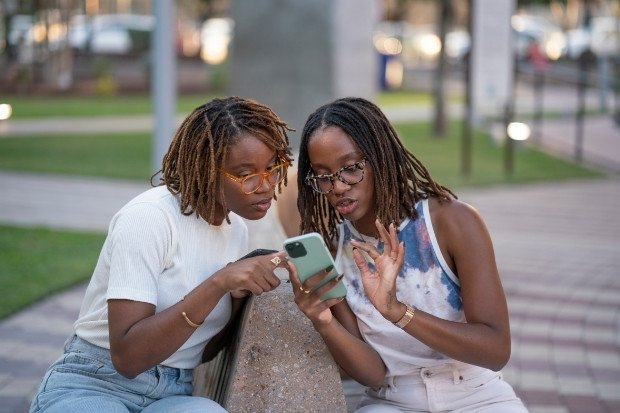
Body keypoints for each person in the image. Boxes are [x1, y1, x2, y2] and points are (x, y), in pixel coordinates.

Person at [29, 96, 294, 413]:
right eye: (247, 173)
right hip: (96, 383)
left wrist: (238, 295)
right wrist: (218, 283)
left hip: (173, 392)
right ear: (209, 171)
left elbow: (200, 350)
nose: (265, 185)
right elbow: (129, 358)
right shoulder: (150, 218)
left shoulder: (235, 229)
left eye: (272, 169)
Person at [289, 97, 528, 412]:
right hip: (392, 400)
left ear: (381, 158)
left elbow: (495, 350)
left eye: (351, 169)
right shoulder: (334, 248)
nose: (338, 186)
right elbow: (373, 374)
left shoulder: (450, 222)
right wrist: (322, 321)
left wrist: (398, 312)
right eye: (323, 175)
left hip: (477, 394)